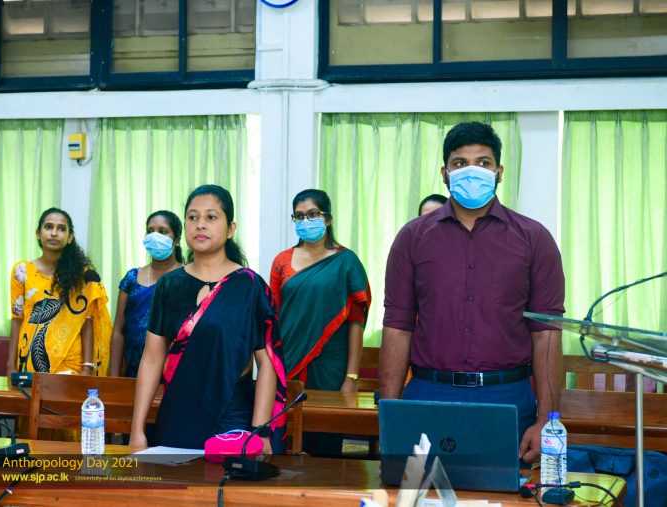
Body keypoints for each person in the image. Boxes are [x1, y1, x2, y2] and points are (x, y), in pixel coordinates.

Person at [379, 122, 564, 464]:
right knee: (416, 491)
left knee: (503, 490)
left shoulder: (534, 239)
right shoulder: (412, 237)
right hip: (428, 395)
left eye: (483, 162)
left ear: (499, 172)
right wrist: (390, 413)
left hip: (506, 398)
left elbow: (547, 334)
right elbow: (397, 326)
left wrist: (547, 421)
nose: (471, 171)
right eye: (460, 163)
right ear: (445, 174)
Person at [130, 185, 287, 453]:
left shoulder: (250, 287)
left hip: (232, 420)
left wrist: (260, 432)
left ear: (231, 229)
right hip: (176, 416)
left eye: (211, 217)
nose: (200, 224)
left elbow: (267, 364)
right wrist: (137, 430)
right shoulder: (169, 285)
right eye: (193, 217)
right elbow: (152, 359)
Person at [269, 189, 371, 457]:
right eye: (299, 216)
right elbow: (273, 317)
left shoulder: (346, 261)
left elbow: (356, 322)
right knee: (285, 443)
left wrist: (351, 377)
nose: (306, 221)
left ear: (327, 219)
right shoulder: (282, 261)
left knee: (327, 444)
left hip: (330, 365)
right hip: (289, 360)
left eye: (312, 214)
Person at [7, 208, 112, 377]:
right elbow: (17, 320)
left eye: (61, 228)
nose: (54, 233)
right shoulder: (22, 271)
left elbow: (88, 322)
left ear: (70, 237)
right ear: (38, 234)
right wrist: (10, 366)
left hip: (71, 364)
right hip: (29, 362)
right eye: (48, 227)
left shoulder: (83, 275)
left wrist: (87, 368)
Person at [109, 211, 183, 378]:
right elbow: (118, 331)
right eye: (150, 231)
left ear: (177, 240)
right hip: (132, 374)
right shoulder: (131, 278)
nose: (155, 236)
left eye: (163, 231)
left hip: (173, 376)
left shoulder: (187, 277)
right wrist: (114, 377)